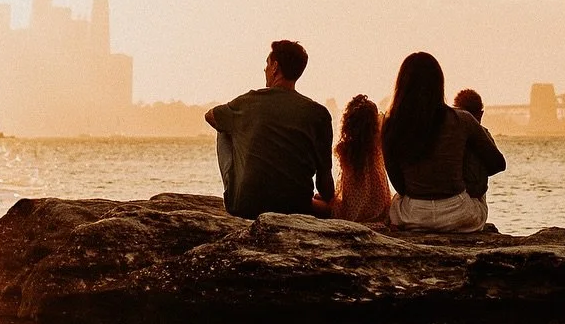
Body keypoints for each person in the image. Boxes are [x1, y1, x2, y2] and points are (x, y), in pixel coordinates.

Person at [205, 39, 334, 218]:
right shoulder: (320, 114)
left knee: (224, 126)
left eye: (267, 64)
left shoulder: (249, 102)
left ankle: (236, 189)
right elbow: (325, 182)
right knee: (326, 209)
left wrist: (245, 131)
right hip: (297, 206)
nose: (265, 69)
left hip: (245, 206)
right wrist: (327, 199)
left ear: (275, 67)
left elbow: (210, 116)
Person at [381, 51, 505, 232]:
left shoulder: (390, 124)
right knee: (473, 145)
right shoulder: (462, 119)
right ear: (439, 84)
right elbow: (497, 163)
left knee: (397, 201)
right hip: (459, 215)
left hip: (413, 215)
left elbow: (399, 184)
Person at [331, 93, 392, 225]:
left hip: (351, 212)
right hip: (380, 209)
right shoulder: (378, 145)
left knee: (320, 200)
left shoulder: (343, 149)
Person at [453, 87, 502, 221]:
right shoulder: (483, 134)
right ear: (480, 114)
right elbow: (498, 165)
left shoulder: (446, 134)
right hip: (471, 202)